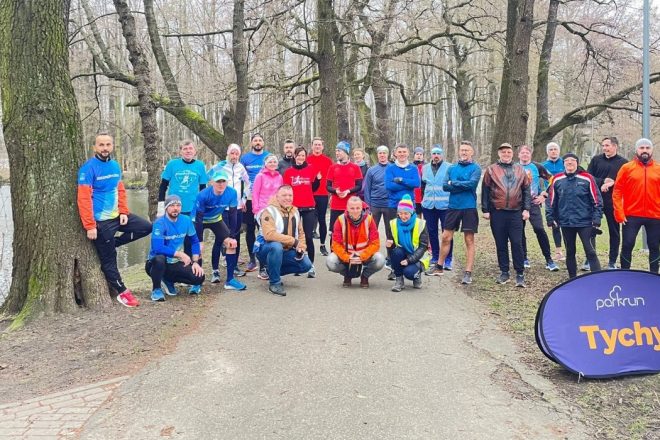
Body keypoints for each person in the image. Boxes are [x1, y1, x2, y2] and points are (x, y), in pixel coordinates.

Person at [77, 132, 152, 307]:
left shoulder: (115, 166)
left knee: (146, 227)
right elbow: (84, 199)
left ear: (112, 147)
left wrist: (124, 212)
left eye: (108, 145)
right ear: (94, 147)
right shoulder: (88, 169)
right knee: (109, 261)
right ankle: (122, 292)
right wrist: (89, 226)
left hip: (118, 216)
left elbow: (120, 190)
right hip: (100, 223)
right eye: (101, 145)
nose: (105, 148)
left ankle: (113, 243)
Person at [481, 143, 531, 287]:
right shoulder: (491, 170)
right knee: (501, 243)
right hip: (497, 212)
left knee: (517, 242)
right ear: (499, 154)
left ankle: (520, 273)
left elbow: (526, 190)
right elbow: (485, 190)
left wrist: (526, 209)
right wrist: (485, 209)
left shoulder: (520, 170)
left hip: (516, 212)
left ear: (512, 154)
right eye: (503, 152)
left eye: (508, 152)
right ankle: (504, 272)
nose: (506, 154)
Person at [546, 153, 603, 278]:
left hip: (585, 222)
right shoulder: (557, 179)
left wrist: (597, 218)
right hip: (566, 222)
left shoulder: (587, 178)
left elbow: (597, 200)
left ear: (577, 163)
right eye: (567, 160)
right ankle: (572, 278)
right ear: (563, 163)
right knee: (570, 251)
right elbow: (551, 201)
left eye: (572, 160)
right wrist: (550, 218)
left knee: (590, 251)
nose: (570, 163)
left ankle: (598, 278)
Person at [433, 141, 481, 285]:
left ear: (472, 152)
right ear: (459, 152)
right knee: (446, 237)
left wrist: (453, 184)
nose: (464, 152)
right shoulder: (452, 168)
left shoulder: (476, 168)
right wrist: (458, 185)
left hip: (469, 207)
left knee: (469, 240)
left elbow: (472, 185)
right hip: (453, 207)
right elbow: (444, 186)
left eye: (467, 150)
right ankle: (439, 266)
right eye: (462, 150)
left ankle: (468, 272)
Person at [192, 170, 246, 291]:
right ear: (212, 182)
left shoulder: (231, 192)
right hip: (199, 220)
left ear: (227, 182)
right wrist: (200, 241)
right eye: (218, 181)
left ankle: (230, 280)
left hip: (216, 219)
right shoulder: (203, 195)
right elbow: (199, 218)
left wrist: (232, 235)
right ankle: (197, 282)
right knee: (197, 248)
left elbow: (233, 214)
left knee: (232, 244)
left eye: (223, 181)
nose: (221, 184)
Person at [255, 185, 313, 296]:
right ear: (277, 197)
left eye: (290, 195)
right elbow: (269, 235)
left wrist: (302, 246)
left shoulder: (295, 211)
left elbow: (301, 233)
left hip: (285, 250)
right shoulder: (269, 211)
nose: (287, 198)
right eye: (284, 195)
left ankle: (272, 271)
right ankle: (274, 283)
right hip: (265, 249)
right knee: (276, 246)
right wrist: (293, 241)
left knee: (306, 265)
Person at [613, 138, 660, 273]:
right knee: (627, 245)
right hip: (631, 215)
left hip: (655, 215)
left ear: (651, 150)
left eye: (647, 148)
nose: (644, 150)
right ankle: (625, 274)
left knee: (654, 246)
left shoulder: (658, 169)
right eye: (641, 148)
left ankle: (654, 276)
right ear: (636, 150)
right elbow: (617, 191)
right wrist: (619, 213)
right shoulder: (627, 168)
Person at [146, 195, 205, 301]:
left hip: (173, 262)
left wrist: (195, 262)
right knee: (160, 258)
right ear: (166, 208)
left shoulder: (186, 220)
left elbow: (195, 241)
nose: (175, 208)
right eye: (172, 205)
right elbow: (157, 248)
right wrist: (180, 254)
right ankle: (156, 290)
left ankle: (168, 280)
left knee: (199, 277)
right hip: (154, 264)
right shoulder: (160, 223)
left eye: (178, 205)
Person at [209, 143, 251, 277]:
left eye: (236, 153)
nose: (234, 156)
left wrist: (244, 199)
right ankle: (215, 270)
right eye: (232, 153)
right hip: (222, 209)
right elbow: (206, 178)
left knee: (235, 236)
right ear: (228, 154)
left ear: (239, 155)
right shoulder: (220, 166)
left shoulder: (241, 167)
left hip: (237, 207)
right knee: (221, 237)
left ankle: (234, 265)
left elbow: (248, 183)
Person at [587, 136, 628, 270]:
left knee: (614, 232)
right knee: (590, 230)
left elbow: (627, 182)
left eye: (607, 145)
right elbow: (589, 177)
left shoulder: (624, 163)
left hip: (613, 202)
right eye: (603, 145)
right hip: (595, 200)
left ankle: (612, 261)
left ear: (615, 146)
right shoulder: (596, 160)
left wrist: (613, 183)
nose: (604, 148)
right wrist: (603, 181)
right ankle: (590, 259)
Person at [326, 196, 385, 288]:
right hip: (347, 254)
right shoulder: (340, 220)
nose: (355, 211)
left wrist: (361, 256)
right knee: (330, 261)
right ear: (347, 208)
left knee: (380, 259)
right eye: (352, 208)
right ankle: (347, 275)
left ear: (361, 208)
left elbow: (375, 243)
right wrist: (347, 257)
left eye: (358, 208)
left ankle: (365, 276)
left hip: (364, 255)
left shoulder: (369, 219)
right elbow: (335, 244)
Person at [517, 145, 559, 271]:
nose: (525, 155)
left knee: (539, 229)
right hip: (518, 204)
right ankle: (524, 258)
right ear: (518, 155)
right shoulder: (514, 167)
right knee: (519, 231)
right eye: (522, 153)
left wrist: (544, 195)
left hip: (534, 203)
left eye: (527, 153)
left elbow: (553, 180)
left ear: (531, 155)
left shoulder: (537, 166)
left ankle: (549, 260)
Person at [283, 146, 321, 277]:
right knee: (294, 237)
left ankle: (310, 265)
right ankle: (297, 264)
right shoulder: (289, 172)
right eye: (298, 155)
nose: (300, 158)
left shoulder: (311, 169)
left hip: (309, 206)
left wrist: (318, 179)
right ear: (294, 156)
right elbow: (286, 190)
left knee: (308, 236)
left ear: (305, 157)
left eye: (303, 156)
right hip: (294, 208)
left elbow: (315, 187)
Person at [387, 195, 429, 292]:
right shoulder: (393, 223)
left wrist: (409, 260)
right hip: (402, 253)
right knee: (396, 252)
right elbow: (393, 246)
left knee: (409, 272)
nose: (403, 216)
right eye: (400, 213)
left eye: (406, 213)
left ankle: (416, 276)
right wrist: (390, 245)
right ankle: (399, 280)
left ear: (412, 212)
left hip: (417, 256)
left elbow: (423, 247)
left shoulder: (420, 224)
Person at [421, 145, 453, 274]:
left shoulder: (449, 167)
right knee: (432, 232)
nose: (436, 155)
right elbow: (423, 185)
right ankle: (435, 256)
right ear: (431, 155)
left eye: (438, 153)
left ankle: (448, 259)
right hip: (428, 205)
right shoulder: (425, 168)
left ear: (442, 155)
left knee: (447, 233)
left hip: (445, 205)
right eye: (434, 153)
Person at [157, 139, 208, 219]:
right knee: (173, 231)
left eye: (190, 148)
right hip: (173, 207)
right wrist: (160, 208)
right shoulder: (172, 164)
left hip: (192, 208)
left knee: (191, 231)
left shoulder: (200, 165)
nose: (188, 151)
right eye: (185, 149)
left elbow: (203, 189)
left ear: (195, 151)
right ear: (181, 151)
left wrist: (203, 206)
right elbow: (163, 186)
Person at [363, 146, 396, 265]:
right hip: (375, 205)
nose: (382, 155)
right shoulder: (371, 170)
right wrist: (368, 206)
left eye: (384, 153)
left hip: (389, 205)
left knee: (390, 232)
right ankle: (370, 256)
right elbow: (367, 189)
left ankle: (390, 258)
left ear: (387, 155)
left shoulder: (393, 168)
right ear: (377, 155)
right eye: (380, 153)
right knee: (371, 231)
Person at [240, 133, 269, 272]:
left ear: (263, 143)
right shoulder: (245, 158)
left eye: (260, 140)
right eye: (255, 140)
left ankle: (264, 261)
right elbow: (240, 180)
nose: (258, 142)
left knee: (264, 229)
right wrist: (243, 198)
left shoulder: (268, 157)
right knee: (250, 229)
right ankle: (252, 259)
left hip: (265, 199)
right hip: (250, 197)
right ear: (252, 143)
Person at [326, 141, 363, 242]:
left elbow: (359, 186)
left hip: (351, 206)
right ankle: (333, 256)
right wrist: (335, 191)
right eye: (336, 151)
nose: (337, 153)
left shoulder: (355, 167)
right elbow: (328, 187)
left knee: (351, 233)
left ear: (346, 152)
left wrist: (348, 191)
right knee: (334, 233)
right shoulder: (332, 167)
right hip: (336, 206)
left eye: (339, 151)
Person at [307, 137, 333, 256]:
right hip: (309, 195)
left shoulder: (328, 161)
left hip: (323, 194)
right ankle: (307, 245)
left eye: (319, 145)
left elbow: (332, 178)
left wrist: (332, 193)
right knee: (309, 221)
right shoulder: (307, 160)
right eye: (315, 144)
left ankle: (322, 245)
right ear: (312, 146)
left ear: (322, 147)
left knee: (322, 220)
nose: (317, 147)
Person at [541, 142, 565, 262]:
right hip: (550, 198)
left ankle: (569, 249)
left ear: (559, 151)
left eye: (555, 149)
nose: (553, 151)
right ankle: (559, 251)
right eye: (551, 149)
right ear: (547, 152)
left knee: (566, 224)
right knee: (555, 224)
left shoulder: (565, 163)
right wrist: (542, 192)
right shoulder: (543, 165)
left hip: (565, 198)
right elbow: (535, 180)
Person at [385, 143, 421, 214]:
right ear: (395, 153)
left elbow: (417, 183)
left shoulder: (413, 168)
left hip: (409, 204)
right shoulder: (390, 168)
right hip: (394, 205)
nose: (402, 154)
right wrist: (409, 185)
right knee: (393, 225)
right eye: (399, 152)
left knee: (410, 225)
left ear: (408, 153)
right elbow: (389, 185)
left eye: (404, 152)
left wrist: (401, 180)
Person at [413, 146, 425, 217]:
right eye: (417, 154)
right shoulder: (410, 166)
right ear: (414, 155)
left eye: (421, 154)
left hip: (424, 196)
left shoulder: (427, 166)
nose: (419, 156)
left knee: (427, 220)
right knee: (417, 219)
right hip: (414, 197)